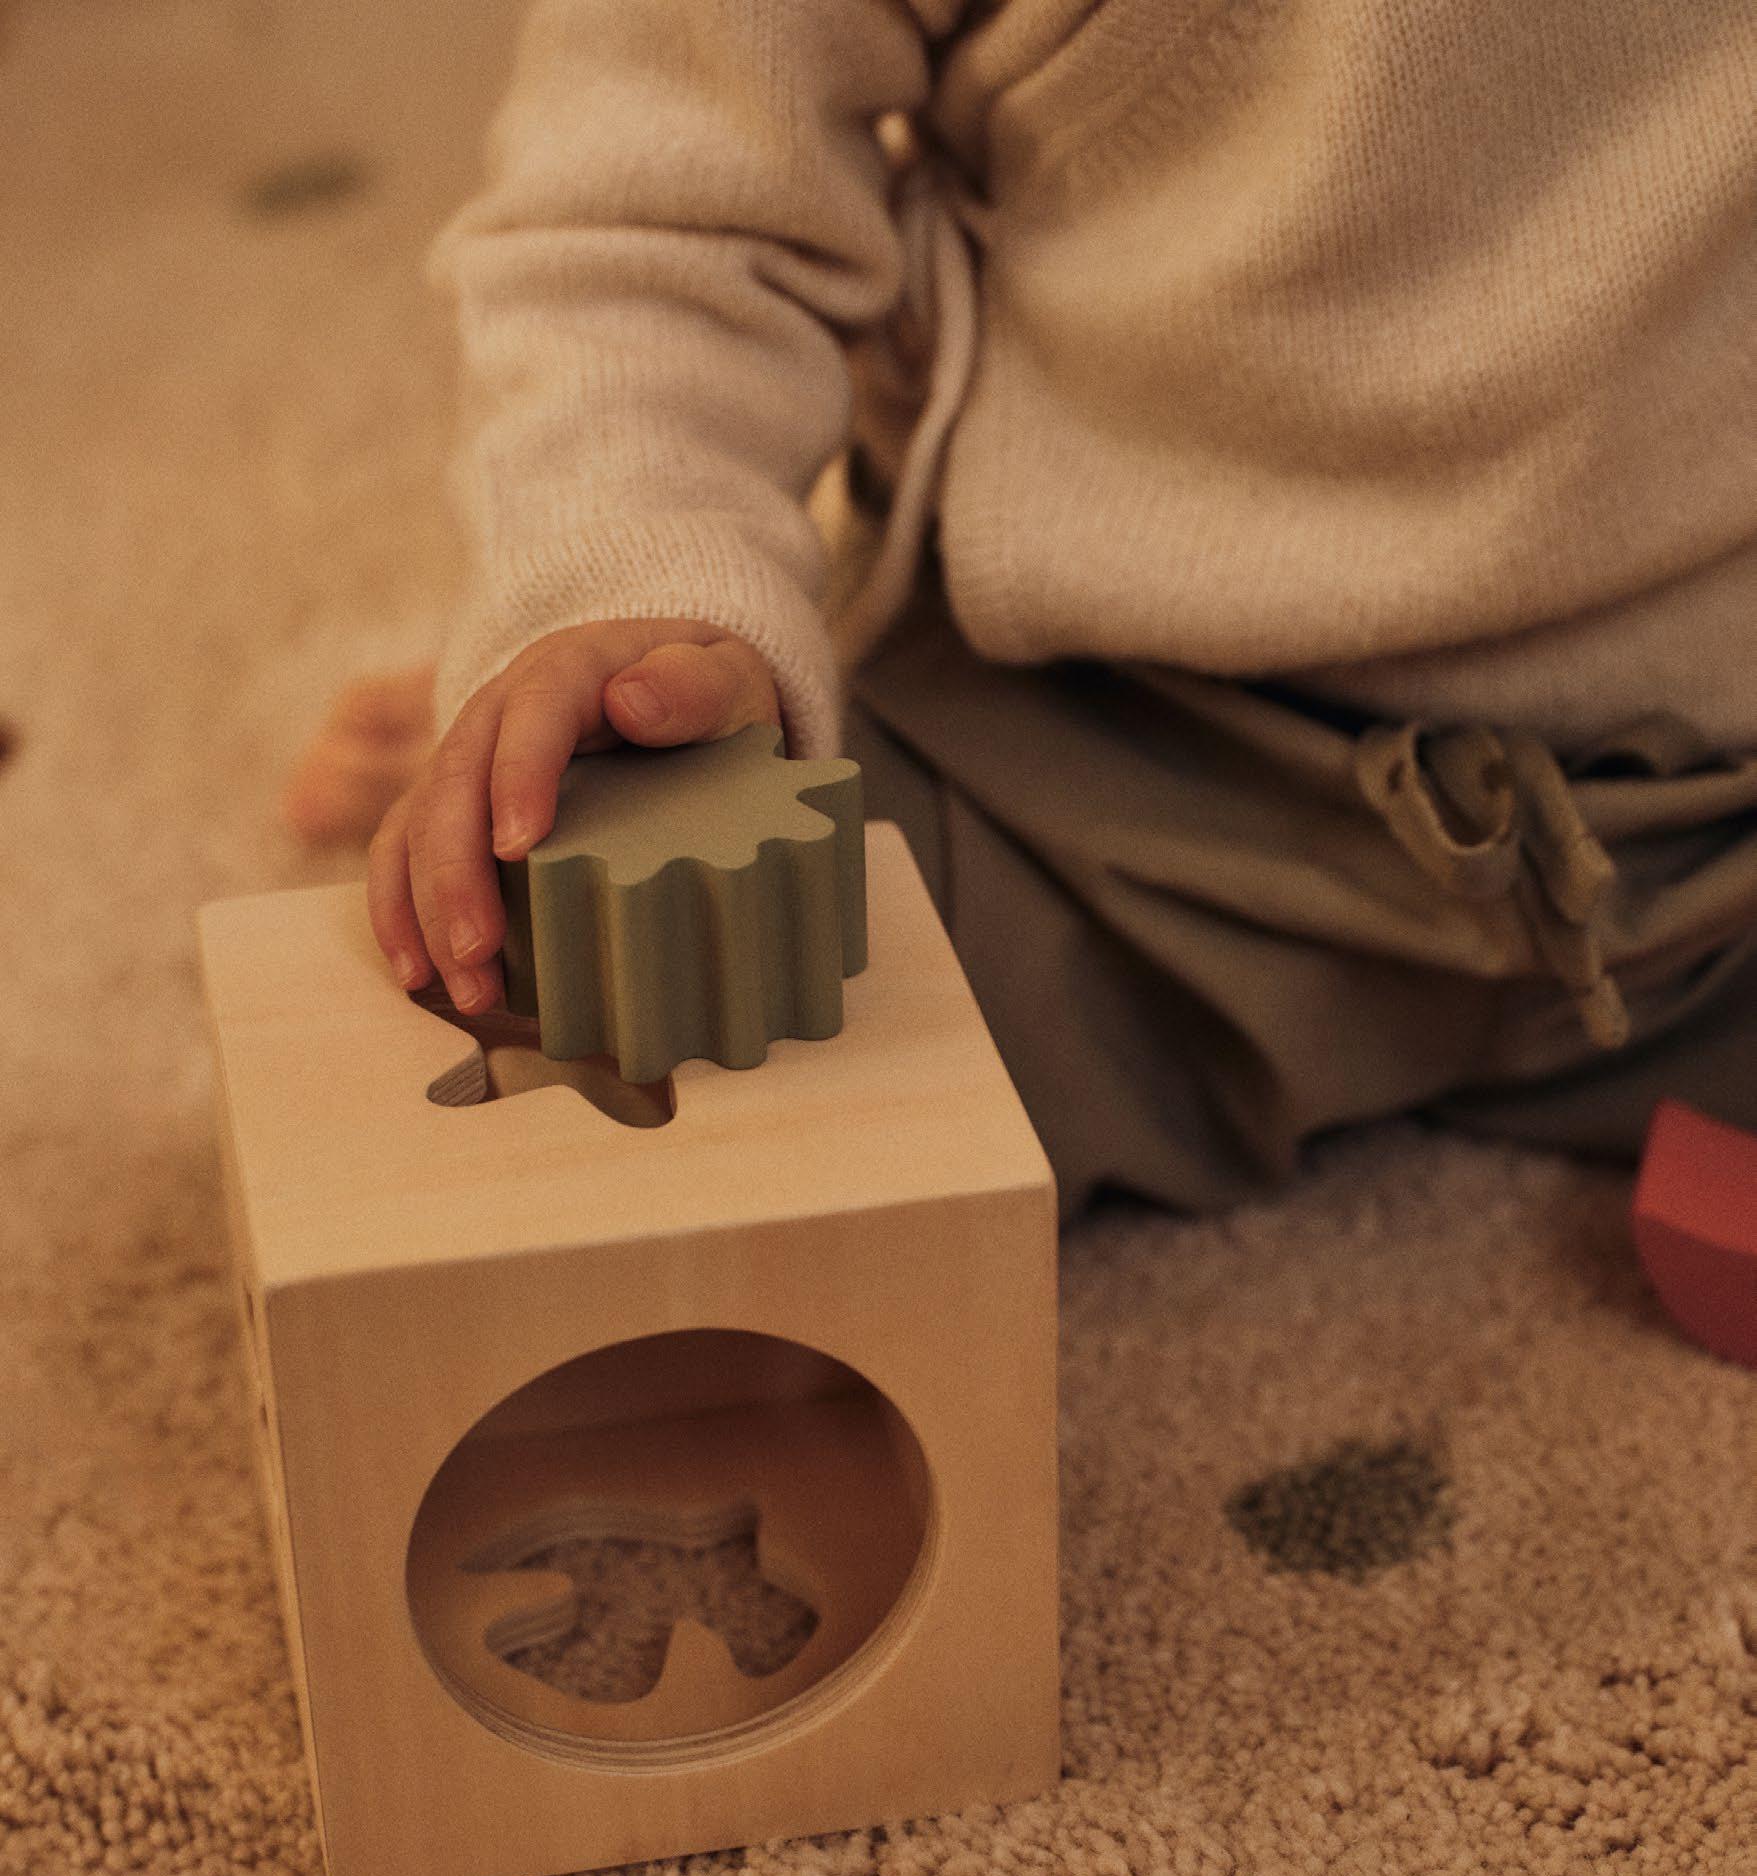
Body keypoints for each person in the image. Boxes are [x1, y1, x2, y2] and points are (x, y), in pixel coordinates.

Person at [283, 0, 1757, 1219]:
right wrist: (622, 579)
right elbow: (654, 216)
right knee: (592, 1112)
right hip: (1076, 766)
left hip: (1716, 836)